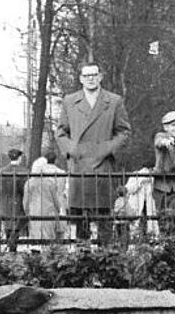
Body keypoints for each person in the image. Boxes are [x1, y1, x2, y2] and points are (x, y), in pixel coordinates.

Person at [56, 61, 132, 241]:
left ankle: (106, 260)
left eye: (94, 75)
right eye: (86, 75)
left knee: (104, 216)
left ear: (100, 77)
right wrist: (72, 149)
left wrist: (106, 149)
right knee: (81, 219)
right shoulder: (70, 101)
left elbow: (124, 132)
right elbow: (61, 132)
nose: (90, 79)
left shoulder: (113, 101)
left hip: (102, 165)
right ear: (81, 79)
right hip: (79, 165)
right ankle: (83, 259)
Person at [151, 111, 175, 231]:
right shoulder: (160, 136)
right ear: (166, 127)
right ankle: (161, 242)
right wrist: (165, 142)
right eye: (173, 125)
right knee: (160, 216)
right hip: (161, 185)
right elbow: (159, 142)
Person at [25, 153, 67, 242]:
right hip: (55, 203)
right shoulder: (61, 173)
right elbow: (62, 189)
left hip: (39, 206)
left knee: (37, 234)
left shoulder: (36, 176)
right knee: (58, 233)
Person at [0, 147, 28, 249]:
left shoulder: (1, 171)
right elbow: (25, 189)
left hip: (5, 204)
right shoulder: (24, 172)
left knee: (7, 227)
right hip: (18, 203)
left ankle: (10, 247)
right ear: (19, 158)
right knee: (16, 227)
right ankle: (12, 248)